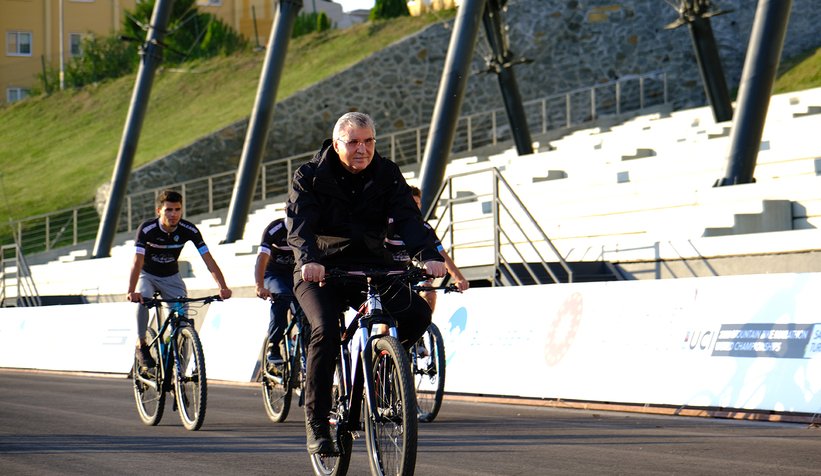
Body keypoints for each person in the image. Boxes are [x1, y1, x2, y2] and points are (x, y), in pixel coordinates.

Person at [287, 112, 447, 455]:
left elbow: (408, 217)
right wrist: (309, 260)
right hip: (321, 270)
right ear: (336, 144)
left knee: (418, 315)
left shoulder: (387, 173)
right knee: (326, 330)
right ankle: (317, 422)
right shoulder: (310, 176)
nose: (363, 149)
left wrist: (428, 253)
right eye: (354, 142)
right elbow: (299, 225)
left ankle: (386, 368)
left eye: (369, 141)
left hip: (372, 268)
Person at [127, 190, 232, 369]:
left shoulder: (188, 230)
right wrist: (131, 290)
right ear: (159, 210)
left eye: (177, 209)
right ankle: (142, 343)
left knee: (182, 322)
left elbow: (208, 259)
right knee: (143, 298)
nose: (173, 214)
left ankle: (178, 369)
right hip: (148, 275)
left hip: (171, 277)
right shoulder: (147, 229)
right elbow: (137, 262)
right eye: (168, 210)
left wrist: (222, 286)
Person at [254, 217, 296, 366]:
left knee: (305, 309)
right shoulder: (274, 229)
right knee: (282, 296)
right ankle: (274, 345)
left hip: (295, 275)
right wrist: (259, 285)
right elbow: (261, 258)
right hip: (273, 274)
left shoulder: (305, 225)